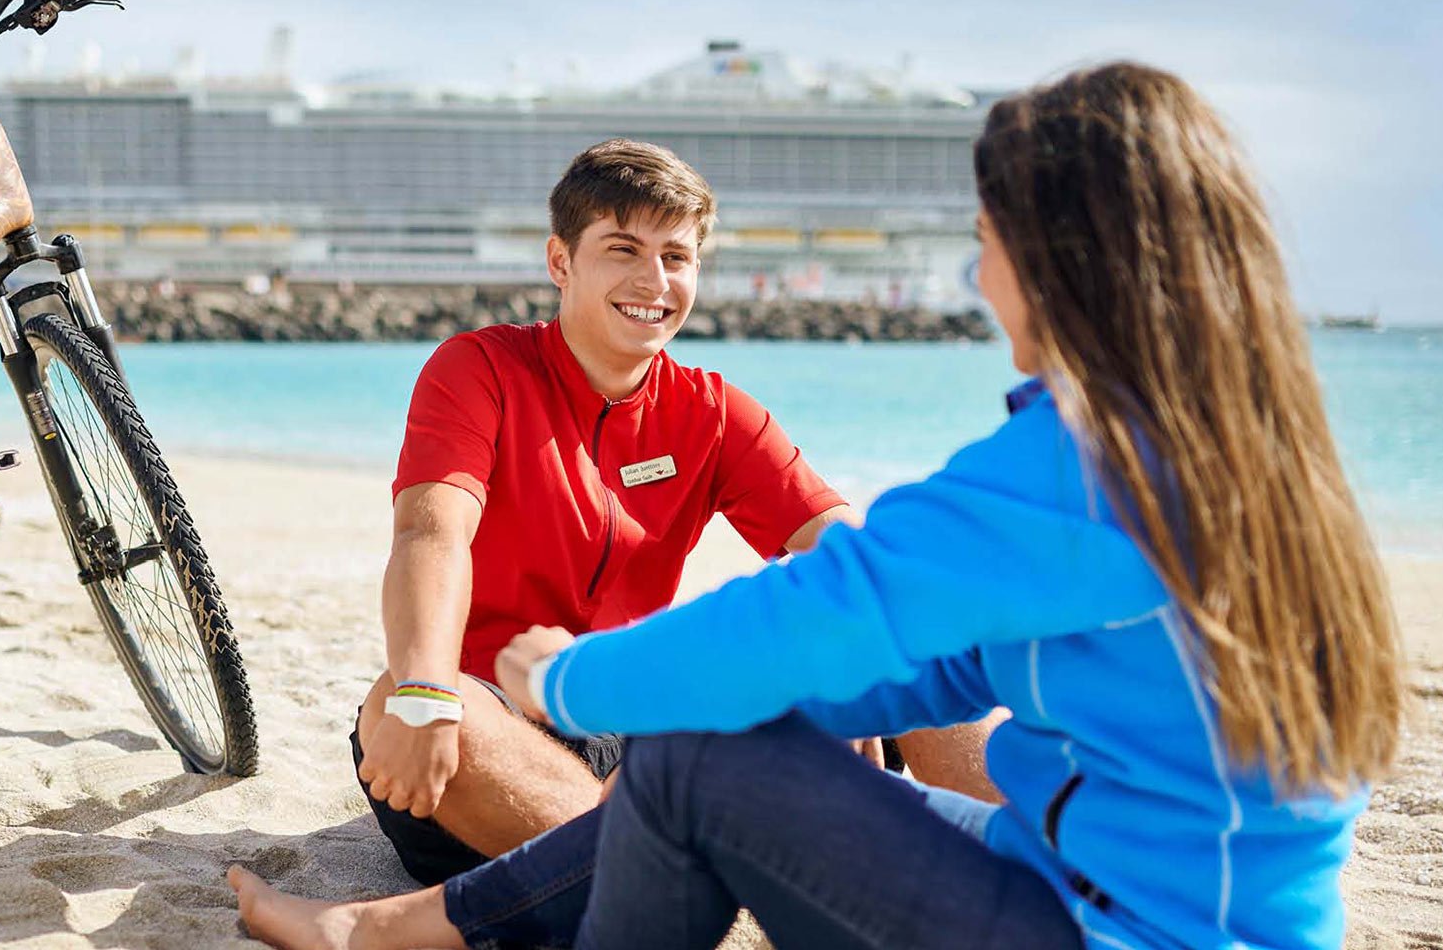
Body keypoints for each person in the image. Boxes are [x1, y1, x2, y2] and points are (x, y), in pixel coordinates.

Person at [229, 62, 1405, 949]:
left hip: (1107, 919)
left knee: (707, 761)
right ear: (560, 260)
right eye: (623, 251)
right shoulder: (1244, 450)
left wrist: (582, 680)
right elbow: (934, 649)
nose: (975, 276)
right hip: (1121, 884)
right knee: (712, 732)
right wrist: (778, 716)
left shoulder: (1077, 462)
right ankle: (527, 884)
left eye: (986, 241)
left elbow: (845, 587)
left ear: (1058, 259)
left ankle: (444, 917)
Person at [349, 138, 1000, 890]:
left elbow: (852, 556)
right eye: (623, 249)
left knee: (919, 639)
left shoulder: (713, 412)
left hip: (646, 722)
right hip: (499, 726)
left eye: (676, 257)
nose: (653, 281)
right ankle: (662, 871)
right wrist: (426, 693)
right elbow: (430, 532)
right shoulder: (479, 370)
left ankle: (1046, 877)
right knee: (404, 702)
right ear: (561, 261)